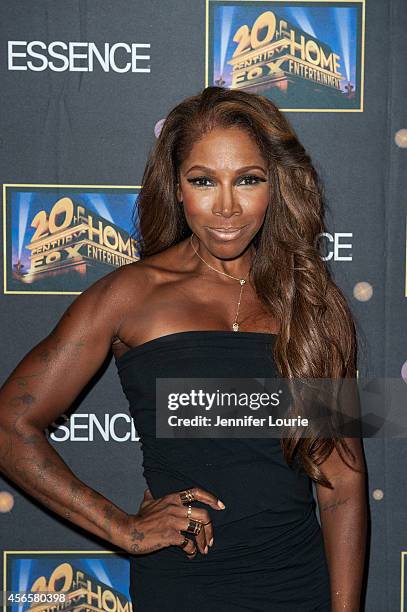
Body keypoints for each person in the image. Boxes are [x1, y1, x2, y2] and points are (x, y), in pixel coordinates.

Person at [0, 86, 367, 611]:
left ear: (275, 185)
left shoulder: (310, 299)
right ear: (175, 188)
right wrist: (123, 530)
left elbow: (342, 486)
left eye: (248, 180)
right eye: (203, 181)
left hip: (298, 586)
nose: (226, 206)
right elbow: (9, 425)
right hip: (184, 589)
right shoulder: (132, 294)